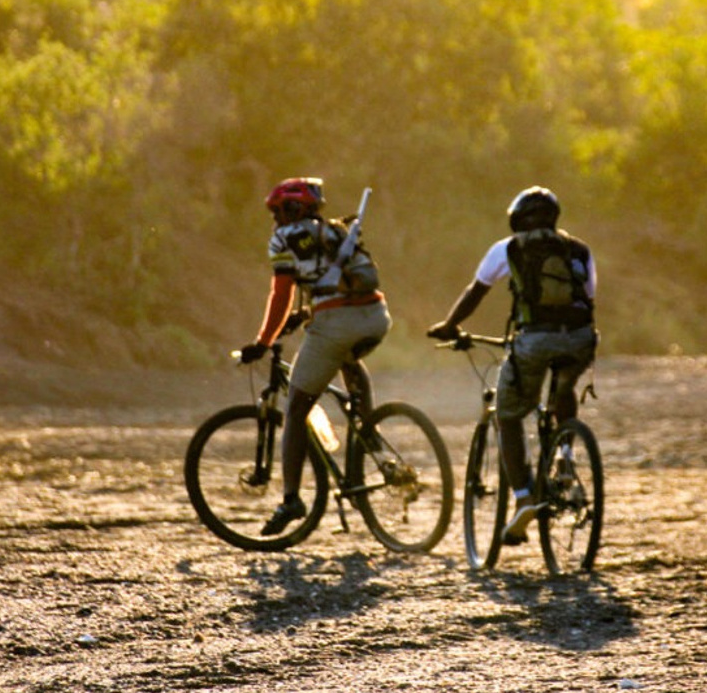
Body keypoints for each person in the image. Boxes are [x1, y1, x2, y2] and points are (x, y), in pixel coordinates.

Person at [428, 186, 597, 545]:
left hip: (534, 339)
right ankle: (566, 454)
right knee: (564, 385)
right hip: (581, 337)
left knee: (507, 414)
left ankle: (523, 497)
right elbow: (589, 295)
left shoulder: (508, 247)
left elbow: (477, 290)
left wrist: (450, 325)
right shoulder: (579, 249)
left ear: (517, 218)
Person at [240, 177, 391, 536]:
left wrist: (263, 341)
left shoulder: (283, 239)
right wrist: (306, 315)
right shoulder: (338, 231)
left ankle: (291, 499)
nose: (275, 218)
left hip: (336, 324)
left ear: (293, 208)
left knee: (295, 408)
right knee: (349, 361)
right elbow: (336, 285)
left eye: (278, 210)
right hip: (376, 316)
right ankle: (369, 437)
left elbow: (281, 295)